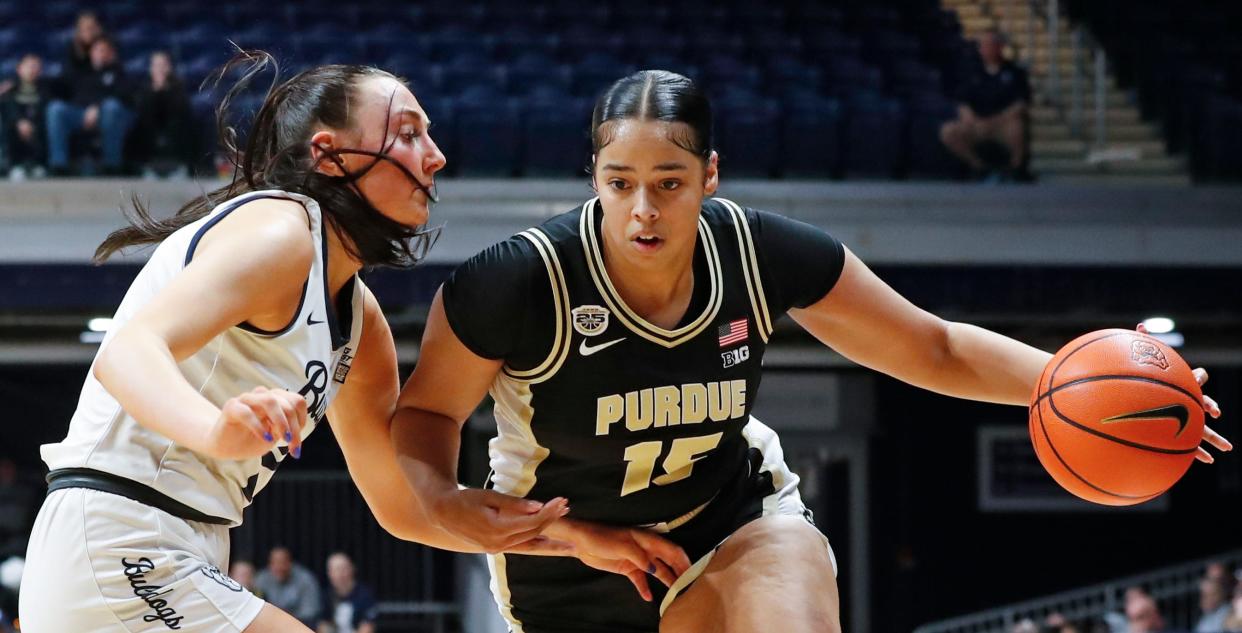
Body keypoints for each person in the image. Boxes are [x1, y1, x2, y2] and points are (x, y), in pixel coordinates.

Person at [390, 69, 1229, 633]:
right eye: (620, 182)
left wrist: (1089, 388)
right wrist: (516, 523)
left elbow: (931, 345)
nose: (643, 208)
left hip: (729, 516)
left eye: (669, 182)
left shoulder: (762, 253)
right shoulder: (518, 282)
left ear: (710, 175)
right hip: (564, 565)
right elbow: (424, 421)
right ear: (595, 177)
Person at [19, 50, 678, 633]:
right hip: (116, 533)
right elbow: (127, 351)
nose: (436, 155)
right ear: (330, 155)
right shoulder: (281, 231)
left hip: (172, 544)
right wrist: (218, 429)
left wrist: (567, 536)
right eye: (409, 133)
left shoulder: (358, 324)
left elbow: (406, 505)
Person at [940, 29, 1033, 181]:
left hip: (1002, 124)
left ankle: (1016, 168)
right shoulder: (971, 71)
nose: (985, 48)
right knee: (948, 131)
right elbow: (962, 101)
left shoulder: (1014, 72)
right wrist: (970, 118)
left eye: (990, 44)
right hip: (978, 124)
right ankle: (978, 167)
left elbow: (1021, 103)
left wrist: (996, 121)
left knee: (1017, 126)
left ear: (1000, 46)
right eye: (982, 45)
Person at [45, 36, 133, 175]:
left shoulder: (118, 72)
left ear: (111, 53)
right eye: (97, 50)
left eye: (105, 50)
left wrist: (97, 107)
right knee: (56, 109)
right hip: (79, 113)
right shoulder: (79, 69)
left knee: (112, 107)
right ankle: (59, 165)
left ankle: (111, 165)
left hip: (106, 114)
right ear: (91, 52)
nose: (101, 53)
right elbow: (59, 87)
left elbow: (124, 96)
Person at [127, 50, 196, 178]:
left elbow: (181, 114)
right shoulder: (143, 91)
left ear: (169, 68)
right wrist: (155, 92)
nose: (160, 69)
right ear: (150, 69)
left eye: (163, 65)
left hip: (177, 153)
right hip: (148, 155)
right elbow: (144, 117)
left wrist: (165, 90)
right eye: (156, 65)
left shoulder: (179, 89)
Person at [0, 54, 52, 179]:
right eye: (29, 66)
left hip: (38, 128)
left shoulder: (46, 89)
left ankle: (40, 165)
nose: (32, 70)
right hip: (13, 128)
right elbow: (8, 108)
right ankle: (11, 165)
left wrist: (31, 123)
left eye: (36, 67)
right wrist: (19, 121)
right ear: (19, 69)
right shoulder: (9, 88)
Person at [256, 547, 321, 627]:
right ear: (270, 564)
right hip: (269, 626)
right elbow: (255, 610)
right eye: (275, 563)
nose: (279, 567)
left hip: (299, 625)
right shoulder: (262, 579)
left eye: (282, 562)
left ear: (290, 563)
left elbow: (310, 612)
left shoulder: (305, 579)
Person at [317, 552, 377, 633]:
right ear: (329, 573)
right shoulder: (325, 595)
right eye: (335, 569)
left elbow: (368, 626)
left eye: (343, 568)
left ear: (352, 569)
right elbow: (322, 624)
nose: (340, 574)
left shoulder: (365, 595)